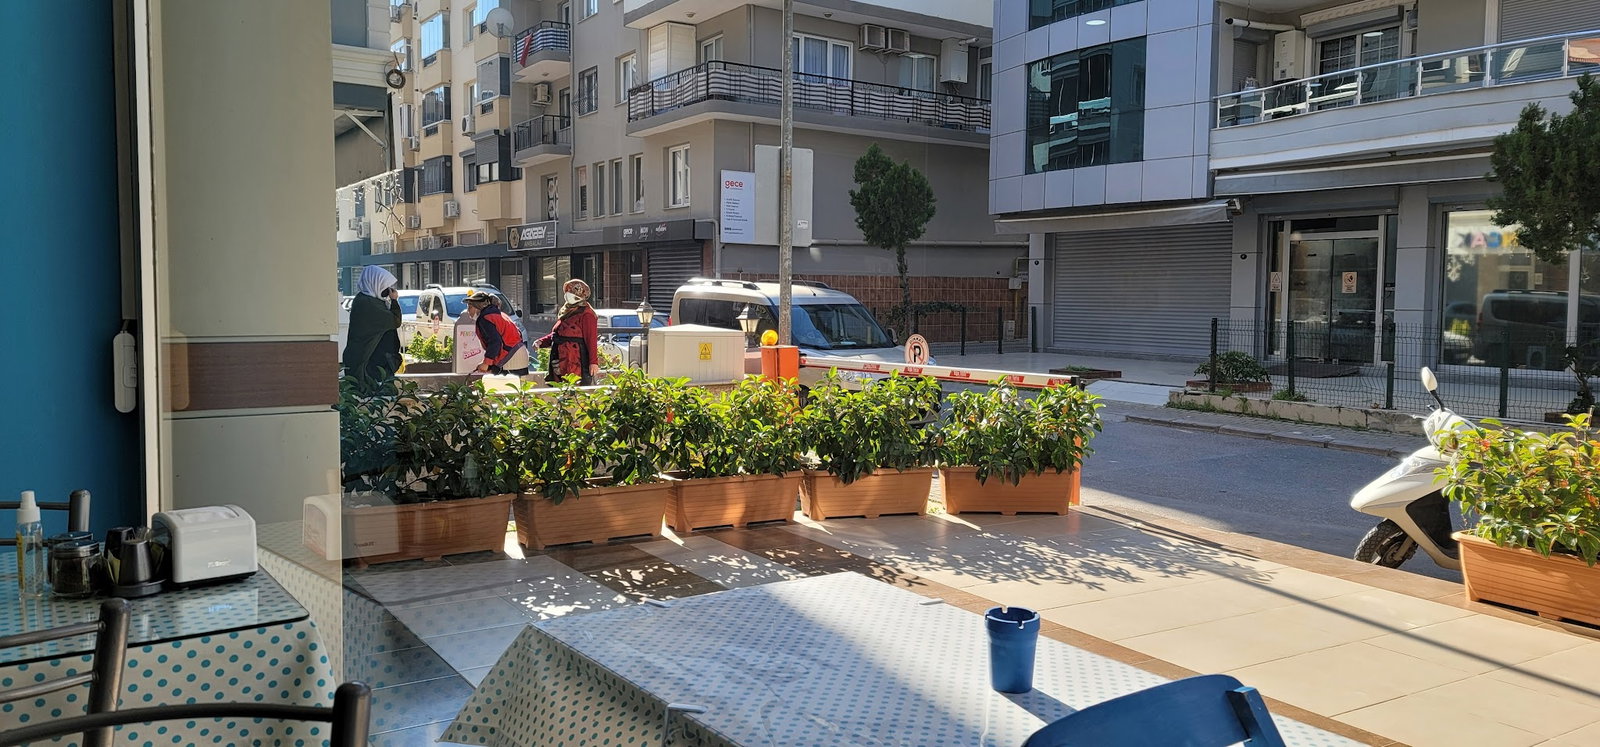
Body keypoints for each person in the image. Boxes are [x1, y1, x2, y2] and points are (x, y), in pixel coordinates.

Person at [342, 266, 403, 393]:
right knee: (379, 398)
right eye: (385, 289)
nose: (387, 292)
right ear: (375, 283)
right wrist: (394, 301)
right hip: (372, 364)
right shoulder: (368, 304)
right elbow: (394, 321)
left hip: (376, 360)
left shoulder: (368, 300)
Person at [535, 279, 600, 385]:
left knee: (573, 387)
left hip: (574, 358)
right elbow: (559, 333)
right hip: (559, 356)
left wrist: (593, 362)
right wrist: (542, 342)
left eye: (571, 293)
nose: (567, 295)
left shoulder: (587, 314)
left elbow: (591, 339)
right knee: (559, 387)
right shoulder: (566, 311)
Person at [465, 290, 530, 375]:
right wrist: (489, 363)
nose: (467, 311)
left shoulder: (485, 318)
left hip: (510, 357)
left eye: (470, 307)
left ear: (477, 307)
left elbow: (495, 342)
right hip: (518, 353)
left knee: (503, 386)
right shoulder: (500, 315)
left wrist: (486, 363)